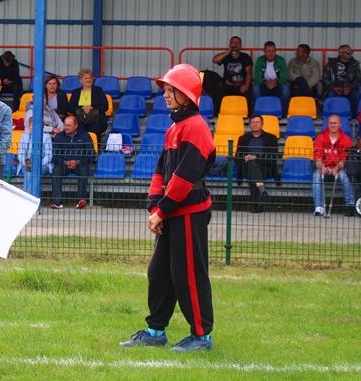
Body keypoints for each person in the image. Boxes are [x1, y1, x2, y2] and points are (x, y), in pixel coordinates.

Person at [120, 63, 215, 352]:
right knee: (159, 273)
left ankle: (202, 337)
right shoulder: (175, 127)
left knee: (189, 275)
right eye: (166, 90)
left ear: (187, 95)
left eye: (172, 90)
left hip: (188, 213)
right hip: (172, 211)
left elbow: (184, 177)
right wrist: (154, 206)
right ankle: (155, 331)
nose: (166, 94)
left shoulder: (196, 127)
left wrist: (162, 210)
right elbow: (161, 169)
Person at [312, 115, 355, 216]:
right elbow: (317, 156)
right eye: (331, 123)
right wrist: (322, 166)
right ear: (328, 124)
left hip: (338, 167)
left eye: (335, 123)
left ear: (339, 124)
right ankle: (319, 207)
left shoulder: (346, 139)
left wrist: (336, 168)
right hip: (324, 166)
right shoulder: (321, 137)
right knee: (316, 176)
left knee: (344, 177)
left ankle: (350, 205)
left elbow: (344, 158)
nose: (333, 125)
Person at [50, 115, 95, 209]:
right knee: (56, 171)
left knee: (84, 170)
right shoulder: (59, 136)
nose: (66, 127)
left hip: (80, 164)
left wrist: (78, 162)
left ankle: (80, 201)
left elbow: (91, 155)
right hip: (64, 164)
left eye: (69, 125)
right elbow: (54, 156)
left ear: (76, 125)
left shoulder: (85, 136)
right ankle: (57, 202)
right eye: (65, 125)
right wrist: (64, 162)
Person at [236, 115, 279, 213]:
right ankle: (261, 189)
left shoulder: (271, 138)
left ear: (262, 124)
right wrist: (245, 158)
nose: (255, 124)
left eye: (257, 122)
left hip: (265, 168)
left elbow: (273, 158)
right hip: (246, 167)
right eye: (252, 122)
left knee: (253, 171)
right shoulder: (243, 138)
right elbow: (237, 157)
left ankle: (255, 205)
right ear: (249, 125)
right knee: (252, 165)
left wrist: (256, 157)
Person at [66, 68, 110, 139]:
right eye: (85, 78)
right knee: (79, 129)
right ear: (81, 80)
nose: (88, 80)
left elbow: (105, 106)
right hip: (80, 120)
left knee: (94, 129)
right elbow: (70, 108)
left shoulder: (98, 90)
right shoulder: (76, 92)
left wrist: (92, 108)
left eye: (90, 78)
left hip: (97, 120)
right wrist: (82, 108)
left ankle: (95, 145)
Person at [322, 44, 361, 118]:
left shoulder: (355, 64)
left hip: (350, 89)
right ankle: (331, 117)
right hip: (334, 89)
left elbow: (358, 80)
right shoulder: (331, 64)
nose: (350, 54)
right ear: (340, 53)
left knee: (356, 96)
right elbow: (325, 79)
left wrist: (350, 88)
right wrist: (333, 88)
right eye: (347, 52)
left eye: (351, 52)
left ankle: (353, 118)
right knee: (330, 96)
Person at [17, 114, 53, 196]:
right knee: (29, 172)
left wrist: (37, 164)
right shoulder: (24, 136)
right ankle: (32, 198)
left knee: (34, 171)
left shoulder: (46, 137)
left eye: (36, 125)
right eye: (31, 125)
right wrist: (25, 163)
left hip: (42, 165)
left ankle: (29, 198)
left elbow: (48, 156)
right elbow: (20, 154)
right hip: (26, 164)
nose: (33, 127)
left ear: (42, 127)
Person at [252, 41, 290, 113]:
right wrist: (265, 82)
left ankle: (282, 113)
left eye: (273, 51)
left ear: (275, 51)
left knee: (286, 89)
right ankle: (258, 111)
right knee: (255, 87)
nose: (271, 54)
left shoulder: (281, 60)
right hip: (264, 84)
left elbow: (285, 76)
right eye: (268, 51)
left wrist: (276, 82)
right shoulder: (260, 60)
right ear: (264, 51)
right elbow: (257, 76)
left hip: (277, 84)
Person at [212, 35, 253, 102]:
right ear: (230, 44)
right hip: (227, 85)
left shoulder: (245, 57)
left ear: (240, 45)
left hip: (241, 85)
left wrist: (246, 85)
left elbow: (249, 72)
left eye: (237, 43)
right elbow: (215, 60)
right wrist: (229, 51)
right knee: (218, 96)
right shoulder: (226, 55)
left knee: (247, 97)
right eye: (233, 42)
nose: (235, 44)